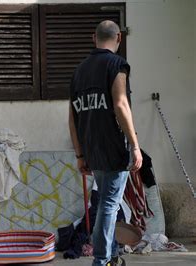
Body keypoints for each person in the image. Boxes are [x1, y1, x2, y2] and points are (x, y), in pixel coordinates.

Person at [68, 20, 142, 266]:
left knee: (105, 203)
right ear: (119, 38)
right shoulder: (116, 64)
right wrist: (134, 144)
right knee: (109, 205)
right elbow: (121, 105)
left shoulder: (79, 71)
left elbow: (72, 117)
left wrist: (80, 154)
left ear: (94, 38)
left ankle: (109, 256)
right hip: (113, 146)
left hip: (91, 147)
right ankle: (101, 260)